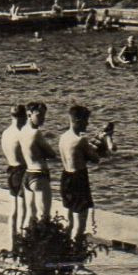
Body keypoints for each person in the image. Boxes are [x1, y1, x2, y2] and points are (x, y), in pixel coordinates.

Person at [57, 104, 116, 248]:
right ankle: (76, 257)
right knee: (81, 223)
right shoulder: (80, 140)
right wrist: (107, 140)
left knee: (69, 222)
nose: (88, 124)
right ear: (78, 120)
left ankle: (64, 251)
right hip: (79, 180)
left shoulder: (63, 137)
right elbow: (97, 159)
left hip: (65, 178)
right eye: (86, 120)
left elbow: (80, 153)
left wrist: (95, 142)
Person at [20, 101, 55, 227]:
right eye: (39, 116)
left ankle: (24, 243)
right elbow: (52, 154)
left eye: (44, 116)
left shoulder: (23, 130)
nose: (42, 119)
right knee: (44, 216)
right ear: (29, 114)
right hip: (39, 175)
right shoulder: (36, 133)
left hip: (28, 173)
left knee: (31, 215)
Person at [0, 104, 29, 248]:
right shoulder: (22, 134)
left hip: (10, 170)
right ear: (24, 117)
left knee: (13, 211)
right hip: (22, 171)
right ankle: (22, 245)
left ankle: (12, 245)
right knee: (23, 210)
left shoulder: (5, 133)